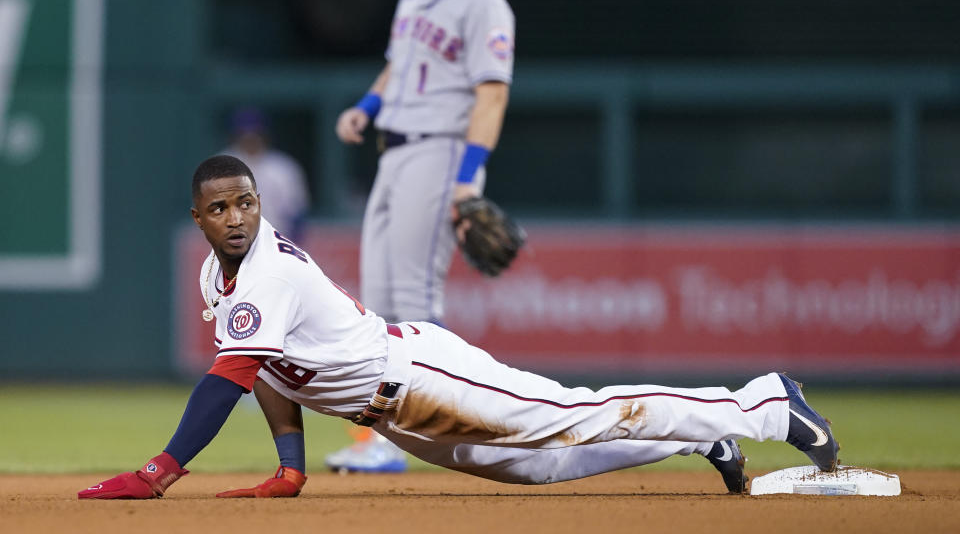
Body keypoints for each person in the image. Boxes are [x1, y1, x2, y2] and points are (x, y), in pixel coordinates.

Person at [78, 155, 839, 500]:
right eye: (221, 208)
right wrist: (290, 467)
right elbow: (270, 374)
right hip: (391, 414)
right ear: (199, 219)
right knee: (542, 466)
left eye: (247, 201)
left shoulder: (268, 269)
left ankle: (766, 401)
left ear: (259, 203)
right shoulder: (219, 276)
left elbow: (232, 379)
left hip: (418, 376)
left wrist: (162, 469)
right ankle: (698, 435)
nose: (238, 216)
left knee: (574, 414)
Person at [329, 0, 515, 474]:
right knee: (377, 307)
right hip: (394, 151)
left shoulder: (485, 3)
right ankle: (381, 442)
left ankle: (445, 429)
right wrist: (367, 103)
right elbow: (398, 62)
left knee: (415, 304)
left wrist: (465, 184)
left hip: (441, 153)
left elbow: (493, 94)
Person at [224, 107, 310, 243]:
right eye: (244, 134)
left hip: (274, 242)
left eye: (254, 134)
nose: (250, 138)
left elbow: (297, 213)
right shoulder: (219, 167)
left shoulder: (283, 168)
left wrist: (293, 246)